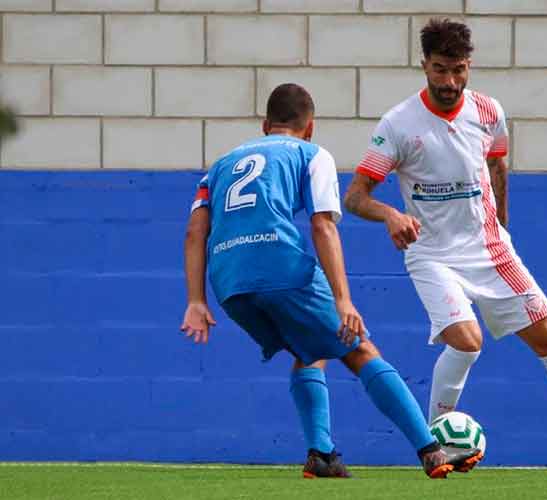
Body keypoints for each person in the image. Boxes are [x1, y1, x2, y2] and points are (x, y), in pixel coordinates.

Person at [344, 18, 547, 472]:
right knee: (467, 342)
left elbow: (498, 165)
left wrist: (502, 225)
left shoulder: (488, 112)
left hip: (489, 250)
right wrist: (391, 214)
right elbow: (355, 196)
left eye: (460, 70)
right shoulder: (399, 124)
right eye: (441, 69)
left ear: (470, 66)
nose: (450, 82)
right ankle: (434, 449)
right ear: (424, 65)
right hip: (431, 254)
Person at [180, 83, 481, 479]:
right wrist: (343, 300)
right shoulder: (311, 153)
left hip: (229, 283)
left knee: (309, 350)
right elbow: (322, 225)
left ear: (265, 124)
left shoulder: (219, 165)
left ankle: (322, 455)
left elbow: (194, 231)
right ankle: (431, 449)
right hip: (280, 267)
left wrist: (196, 301)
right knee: (360, 350)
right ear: (310, 128)